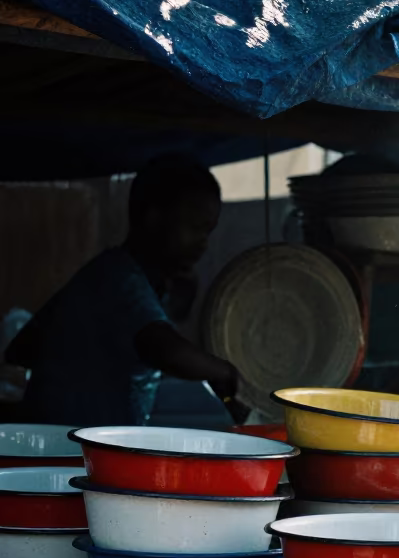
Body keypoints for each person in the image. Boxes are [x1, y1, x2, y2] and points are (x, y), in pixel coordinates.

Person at [5, 154, 243, 427]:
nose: (203, 244)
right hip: (67, 445)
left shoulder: (113, 277)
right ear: (153, 219)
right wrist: (224, 372)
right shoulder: (118, 277)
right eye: (195, 228)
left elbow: (23, 348)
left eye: (208, 232)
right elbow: (166, 351)